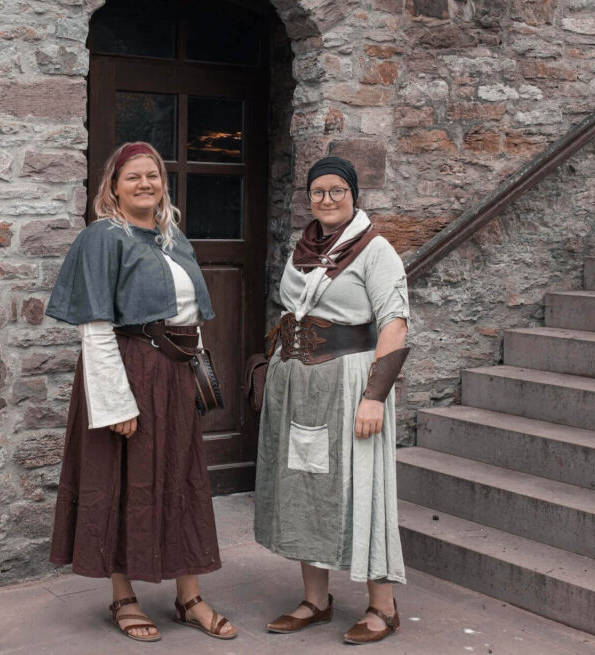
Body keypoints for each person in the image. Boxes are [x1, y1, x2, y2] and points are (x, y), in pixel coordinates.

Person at [45, 142, 237, 642]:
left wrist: (193, 372)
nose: (146, 184)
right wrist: (114, 402)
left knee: (182, 480)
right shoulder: (102, 237)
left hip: (173, 377)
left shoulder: (171, 237)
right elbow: (95, 324)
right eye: (134, 177)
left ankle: (189, 596)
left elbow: (189, 313)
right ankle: (123, 596)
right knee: (124, 481)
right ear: (113, 185)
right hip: (129, 373)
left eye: (153, 176)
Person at [254, 156, 411, 645]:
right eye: (318, 191)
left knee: (361, 485)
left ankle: (382, 607)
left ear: (354, 197)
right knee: (306, 486)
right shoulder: (302, 250)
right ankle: (316, 601)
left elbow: (395, 326)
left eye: (336, 191)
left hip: (350, 384)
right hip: (300, 386)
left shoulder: (376, 250)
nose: (326, 199)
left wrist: (374, 399)